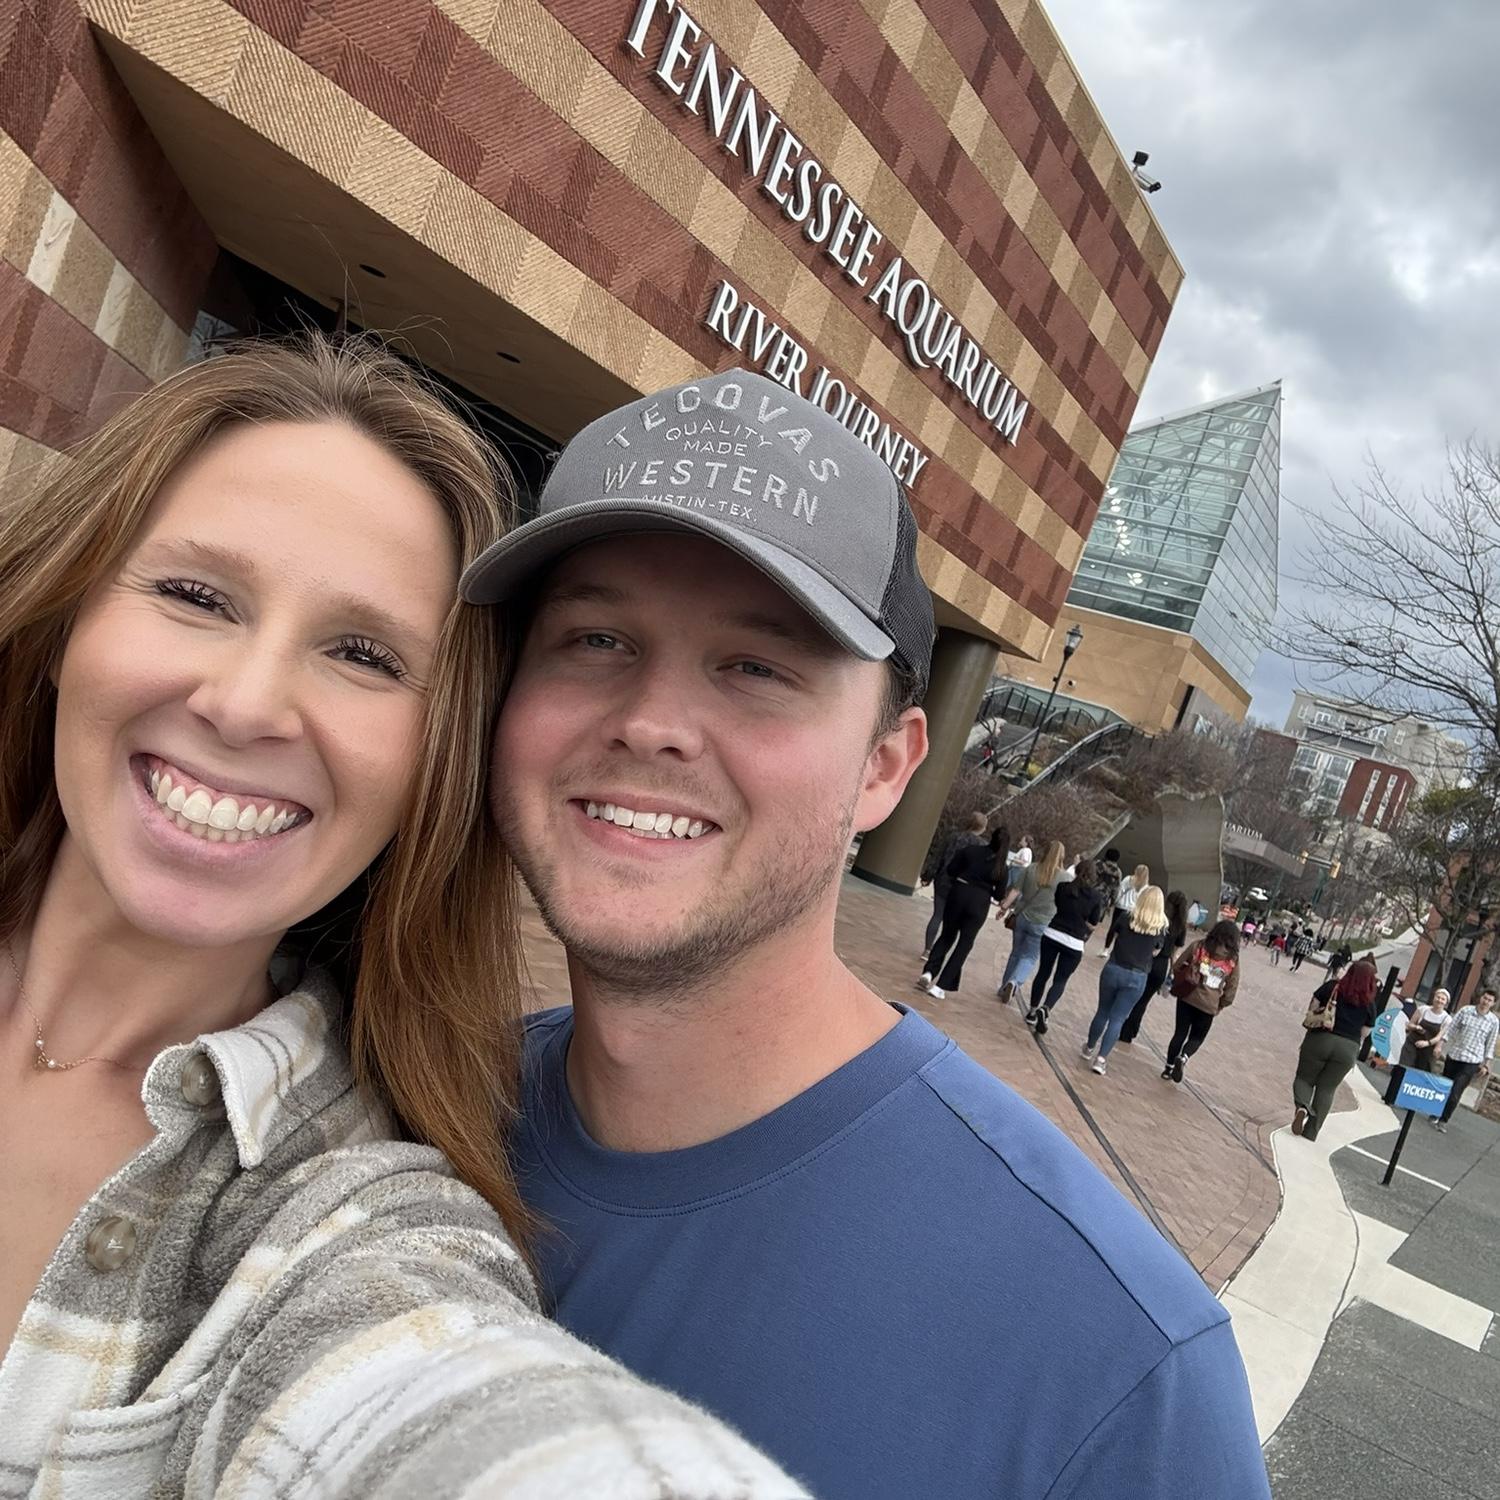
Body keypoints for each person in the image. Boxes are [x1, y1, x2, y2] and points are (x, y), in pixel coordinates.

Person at [0, 342, 799, 1495]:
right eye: (194, 596)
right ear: (71, 612)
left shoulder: (355, 1225)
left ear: (439, 762)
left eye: (363, 655)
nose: (246, 701)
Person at [468, 368, 1270, 1499]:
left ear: (886, 767)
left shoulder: (1114, 1372)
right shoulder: (407, 1115)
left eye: (756, 667)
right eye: (595, 639)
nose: (649, 722)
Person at [1083, 886, 1170, 1075]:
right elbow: (1156, 952)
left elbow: (1112, 936)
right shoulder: (1160, 928)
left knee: (1103, 1011)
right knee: (1118, 1018)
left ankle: (1089, 1047)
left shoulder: (1126, 918)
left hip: (1114, 968)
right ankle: (1101, 1059)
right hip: (1137, 975)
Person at [1291, 958, 1380, 1140]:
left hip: (1320, 1038)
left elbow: (1313, 1006)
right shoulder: (1369, 1003)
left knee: (1304, 1078)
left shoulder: (1332, 987)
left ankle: (1302, 1106)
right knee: (1327, 1089)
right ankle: (1311, 1132)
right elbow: (1365, 1032)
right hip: (1347, 1048)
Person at [919, 824, 1010, 1000]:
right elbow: (999, 895)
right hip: (980, 902)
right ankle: (941, 985)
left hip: (959, 892)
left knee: (947, 935)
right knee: (965, 943)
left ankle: (929, 971)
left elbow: (951, 869)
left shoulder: (971, 851)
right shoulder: (1001, 867)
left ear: (991, 837)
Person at [1024, 855, 1106, 1034]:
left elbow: (1060, 906)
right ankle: (1046, 1008)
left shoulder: (1063, 888)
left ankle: (1031, 1011)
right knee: (1060, 980)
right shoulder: (1096, 897)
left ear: (1076, 871)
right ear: (1093, 876)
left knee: (1043, 972)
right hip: (1074, 942)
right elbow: (1093, 922)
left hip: (1052, 933)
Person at [1163, 920, 1242, 1084]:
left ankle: (1168, 1068)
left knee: (1179, 1033)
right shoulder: (1232, 960)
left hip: (1187, 996)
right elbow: (1232, 988)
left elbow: (1178, 966)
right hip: (1209, 1004)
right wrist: (1221, 1004)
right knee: (1197, 1037)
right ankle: (1184, 1057)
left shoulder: (1198, 946)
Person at [995, 839, 1069, 1007]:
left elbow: (1015, 890)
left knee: (1015, 953)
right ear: (1062, 856)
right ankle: (1015, 982)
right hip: (1044, 922)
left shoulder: (1031, 869)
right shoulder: (1065, 878)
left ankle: (1003, 987)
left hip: (1022, 916)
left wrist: (1004, 907)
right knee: (1029, 956)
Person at [1118, 889, 1190, 1046]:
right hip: (1162, 965)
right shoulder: (1180, 927)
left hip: (1147, 959)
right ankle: (1130, 1031)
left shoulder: (1158, 919)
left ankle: (1119, 1024)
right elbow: (1174, 952)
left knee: (1132, 996)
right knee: (1144, 1001)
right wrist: (1171, 971)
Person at [920, 810, 986, 958]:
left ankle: (927, 949)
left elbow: (939, 857)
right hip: (963, 887)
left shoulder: (953, 837)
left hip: (943, 880)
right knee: (952, 921)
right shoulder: (982, 846)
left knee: (937, 915)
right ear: (982, 828)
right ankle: (940, 951)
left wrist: (928, 875)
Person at [1430, 989, 1498, 1131]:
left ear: (1493, 1004)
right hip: (1455, 1055)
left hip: (1472, 1060)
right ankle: (1435, 1113)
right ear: (1481, 998)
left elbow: (1490, 1043)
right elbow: (1451, 1028)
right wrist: (1440, 1045)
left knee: (1456, 1091)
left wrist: (1486, 1064)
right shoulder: (1466, 1011)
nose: (1486, 1002)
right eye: (1485, 998)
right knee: (1445, 1086)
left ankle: (1443, 1120)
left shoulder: (1493, 1021)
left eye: (1489, 1000)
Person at [1385, 987, 1451, 1104]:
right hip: (1412, 1042)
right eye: (1438, 997)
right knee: (1403, 1067)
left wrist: (1427, 1043)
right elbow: (1409, 1024)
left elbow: (1439, 1037)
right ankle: (1390, 1096)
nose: (1439, 1000)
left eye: (1443, 999)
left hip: (1428, 1048)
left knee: (1419, 1073)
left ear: (1446, 1003)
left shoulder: (1447, 1019)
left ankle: (1409, 1101)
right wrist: (1416, 1027)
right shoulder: (1423, 1010)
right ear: (1433, 997)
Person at [1103, 862, 1149, 951]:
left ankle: (1106, 948)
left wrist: (1114, 901)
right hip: (1131, 910)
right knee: (1124, 931)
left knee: (1113, 927)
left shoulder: (1128, 879)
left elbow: (1119, 890)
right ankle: (1116, 949)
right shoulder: (1145, 887)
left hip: (1120, 906)